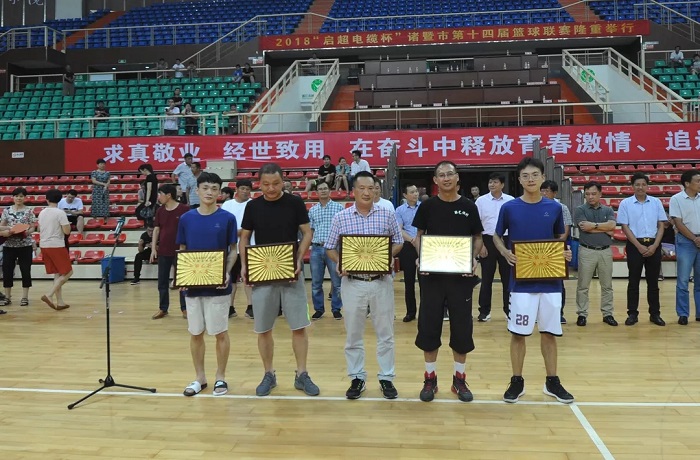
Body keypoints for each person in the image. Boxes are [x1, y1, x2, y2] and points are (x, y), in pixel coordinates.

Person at [494, 157, 574, 404]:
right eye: (525, 176)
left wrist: (565, 253)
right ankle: (517, 381)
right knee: (518, 333)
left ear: (542, 178)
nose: (530, 179)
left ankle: (552, 381)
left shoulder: (554, 208)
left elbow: (559, 239)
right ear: (519, 180)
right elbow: (496, 236)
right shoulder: (509, 208)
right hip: (521, 283)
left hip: (550, 282)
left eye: (534, 175)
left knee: (549, 332)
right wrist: (505, 252)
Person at [239, 162, 320, 397]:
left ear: (283, 182)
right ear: (259, 184)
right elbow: (244, 238)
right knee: (263, 328)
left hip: (291, 272)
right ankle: (268, 374)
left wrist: (298, 258)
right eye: (266, 184)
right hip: (262, 273)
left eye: (275, 183)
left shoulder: (295, 202)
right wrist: (245, 264)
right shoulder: (253, 206)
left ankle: (302, 374)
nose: (271, 188)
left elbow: (307, 232)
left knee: (299, 326)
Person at [325, 171, 403, 399]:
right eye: (362, 188)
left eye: (371, 188)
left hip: (381, 281)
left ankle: (386, 377)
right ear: (353, 191)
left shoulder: (387, 215)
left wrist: (387, 256)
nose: (367, 192)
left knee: (386, 333)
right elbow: (330, 247)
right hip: (353, 283)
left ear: (376, 190)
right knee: (353, 334)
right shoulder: (341, 217)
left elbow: (398, 242)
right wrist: (340, 262)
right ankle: (356, 377)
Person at [412, 161, 484, 403]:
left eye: (449, 174)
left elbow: (478, 238)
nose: (446, 178)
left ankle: (459, 379)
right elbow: (419, 237)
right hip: (431, 278)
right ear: (435, 180)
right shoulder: (427, 206)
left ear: (457, 177)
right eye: (441, 175)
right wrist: (421, 257)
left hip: (461, 279)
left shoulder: (469, 206)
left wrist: (472, 258)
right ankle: (430, 378)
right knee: (429, 327)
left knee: (462, 329)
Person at [178, 172, 238, 397]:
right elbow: (182, 250)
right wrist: (182, 276)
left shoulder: (227, 218)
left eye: (214, 188)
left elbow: (233, 250)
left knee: (220, 332)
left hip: (218, 286)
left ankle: (220, 377)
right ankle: (200, 378)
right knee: (195, 333)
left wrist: (226, 272)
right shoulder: (186, 219)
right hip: (193, 286)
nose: (209, 192)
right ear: (197, 190)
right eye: (205, 188)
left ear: (220, 192)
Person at [617, 173, 667, 327]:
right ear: (632, 186)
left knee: (653, 282)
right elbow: (625, 227)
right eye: (637, 184)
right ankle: (632, 314)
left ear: (647, 186)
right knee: (633, 281)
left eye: (643, 184)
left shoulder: (656, 202)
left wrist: (655, 245)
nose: (640, 187)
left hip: (653, 244)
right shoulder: (625, 203)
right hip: (634, 245)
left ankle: (655, 314)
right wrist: (639, 246)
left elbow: (661, 225)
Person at [574, 181, 618, 327]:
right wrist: (605, 228)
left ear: (600, 194)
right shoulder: (580, 210)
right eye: (587, 194)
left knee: (607, 285)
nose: (590, 197)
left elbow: (613, 227)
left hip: (605, 251)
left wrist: (593, 226)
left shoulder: (608, 210)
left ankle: (607, 314)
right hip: (586, 250)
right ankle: (582, 314)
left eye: (593, 193)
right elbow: (584, 228)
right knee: (583, 285)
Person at [475, 172, 514, 322]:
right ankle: (484, 311)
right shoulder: (481, 201)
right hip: (487, 240)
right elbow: (476, 224)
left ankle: (509, 310)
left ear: (502, 185)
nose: (492, 184)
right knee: (486, 279)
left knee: (507, 278)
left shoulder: (510, 200)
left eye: (495, 182)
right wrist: (481, 245)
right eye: (490, 182)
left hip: (506, 241)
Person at [150, 184, 189, 320]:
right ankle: (163, 308)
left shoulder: (184, 209)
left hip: (181, 251)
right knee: (162, 281)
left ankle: (185, 308)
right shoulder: (160, 210)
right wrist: (153, 248)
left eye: (160, 194)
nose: (158, 197)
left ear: (168, 195)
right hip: (163, 250)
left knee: (182, 281)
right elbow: (156, 229)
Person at [308, 181, 344, 320]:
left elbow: (343, 229)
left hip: (333, 248)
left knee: (337, 282)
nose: (322, 191)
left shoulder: (338, 208)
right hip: (316, 248)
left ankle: (336, 309)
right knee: (316, 283)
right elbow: (311, 230)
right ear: (316, 192)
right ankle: (319, 309)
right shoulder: (312, 210)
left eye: (325, 188)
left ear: (329, 191)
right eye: (320, 189)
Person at [669, 169, 700, 325]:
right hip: (685, 241)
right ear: (687, 183)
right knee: (683, 280)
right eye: (697, 181)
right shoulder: (676, 199)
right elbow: (678, 223)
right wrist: (694, 238)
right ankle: (683, 313)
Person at [540, 180, 573, 324]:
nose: (544, 193)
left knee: (557, 282)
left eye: (547, 191)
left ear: (555, 193)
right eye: (542, 190)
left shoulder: (561, 207)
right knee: (539, 282)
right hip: (538, 250)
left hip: (556, 249)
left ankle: (559, 313)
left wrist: (555, 246)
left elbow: (565, 231)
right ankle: (540, 313)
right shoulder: (536, 205)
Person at [221, 179, 255, 319]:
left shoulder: (253, 204)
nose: (245, 191)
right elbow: (223, 225)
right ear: (236, 189)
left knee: (249, 279)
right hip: (231, 248)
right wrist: (236, 232)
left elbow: (253, 226)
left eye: (248, 189)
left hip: (249, 247)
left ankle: (251, 307)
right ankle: (229, 307)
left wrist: (242, 232)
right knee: (231, 279)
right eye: (242, 188)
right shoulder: (227, 205)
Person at [0, 187, 37, 308]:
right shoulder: (7, 210)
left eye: (21, 196)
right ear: (13, 197)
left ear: (25, 198)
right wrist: (9, 230)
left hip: (25, 245)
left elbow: (32, 227)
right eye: (16, 196)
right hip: (9, 245)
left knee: (25, 270)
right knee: (7, 271)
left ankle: (25, 297)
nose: (19, 198)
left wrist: (26, 232)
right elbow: (1, 226)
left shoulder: (29, 211)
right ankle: (7, 297)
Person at [37, 189, 72, 311]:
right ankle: (49, 294)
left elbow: (39, 228)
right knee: (68, 272)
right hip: (56, 245)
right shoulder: (60, 213)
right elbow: (66, 231)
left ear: (47, 199)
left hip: (44, 244)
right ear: (60, 199)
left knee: (57, 273)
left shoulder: (42, 212)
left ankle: (60, 302)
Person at [395, 184, 420, 322]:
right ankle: (411, 312)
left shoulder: (424, 207)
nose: (415, 194)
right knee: (409, 282)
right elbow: (399, 229)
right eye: (412, 192)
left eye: (416, 191)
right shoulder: (399, 210)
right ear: (405, 195)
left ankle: (426, 312)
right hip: (408, 246)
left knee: (425, 282)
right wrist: (412, 239)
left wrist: (419, 240)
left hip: (424, 245)